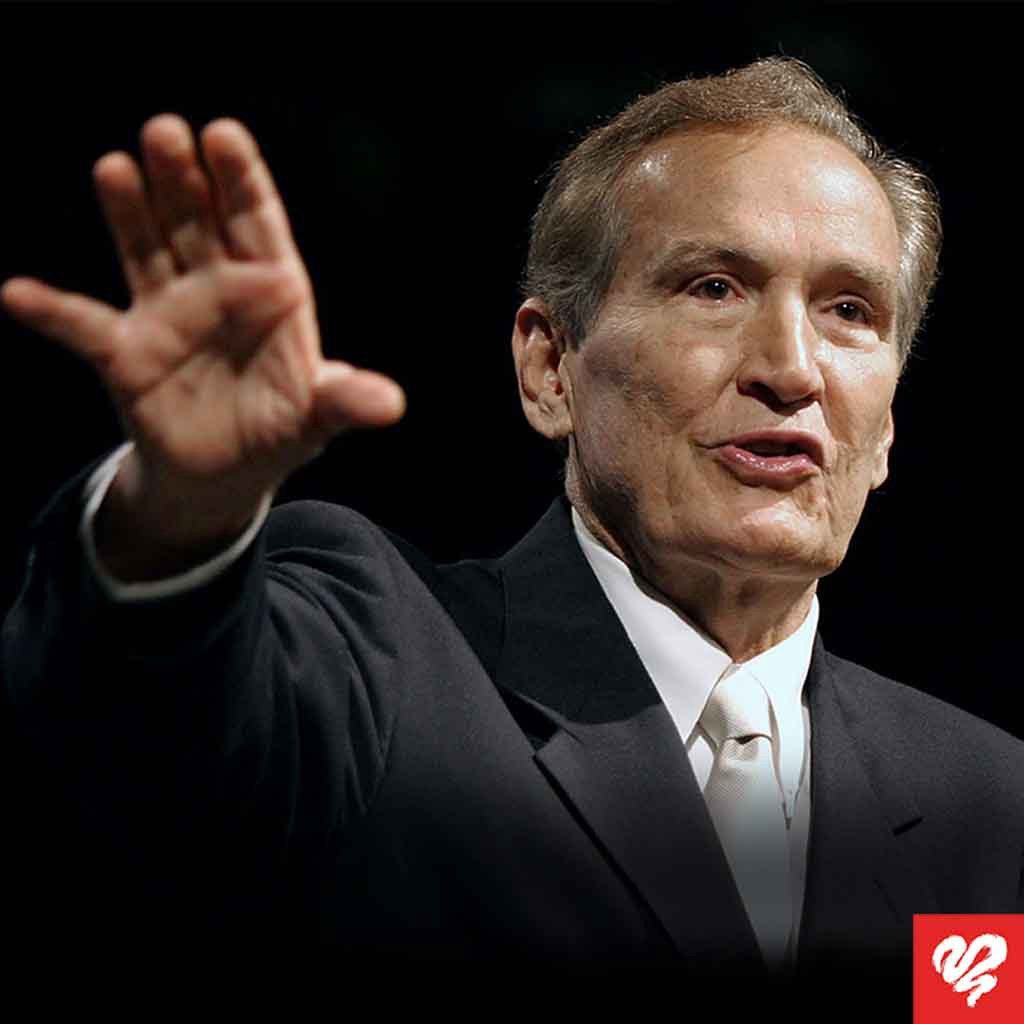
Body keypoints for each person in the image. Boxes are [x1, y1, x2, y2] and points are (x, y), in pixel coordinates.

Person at [2, 58, 1022, 1002]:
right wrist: (180, 513)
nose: (792, 367)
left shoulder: (988, 803)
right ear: (549, 370)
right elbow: (150, 731)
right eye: (714, 287)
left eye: (850, 310)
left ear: (886, 427)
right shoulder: (384, 660)